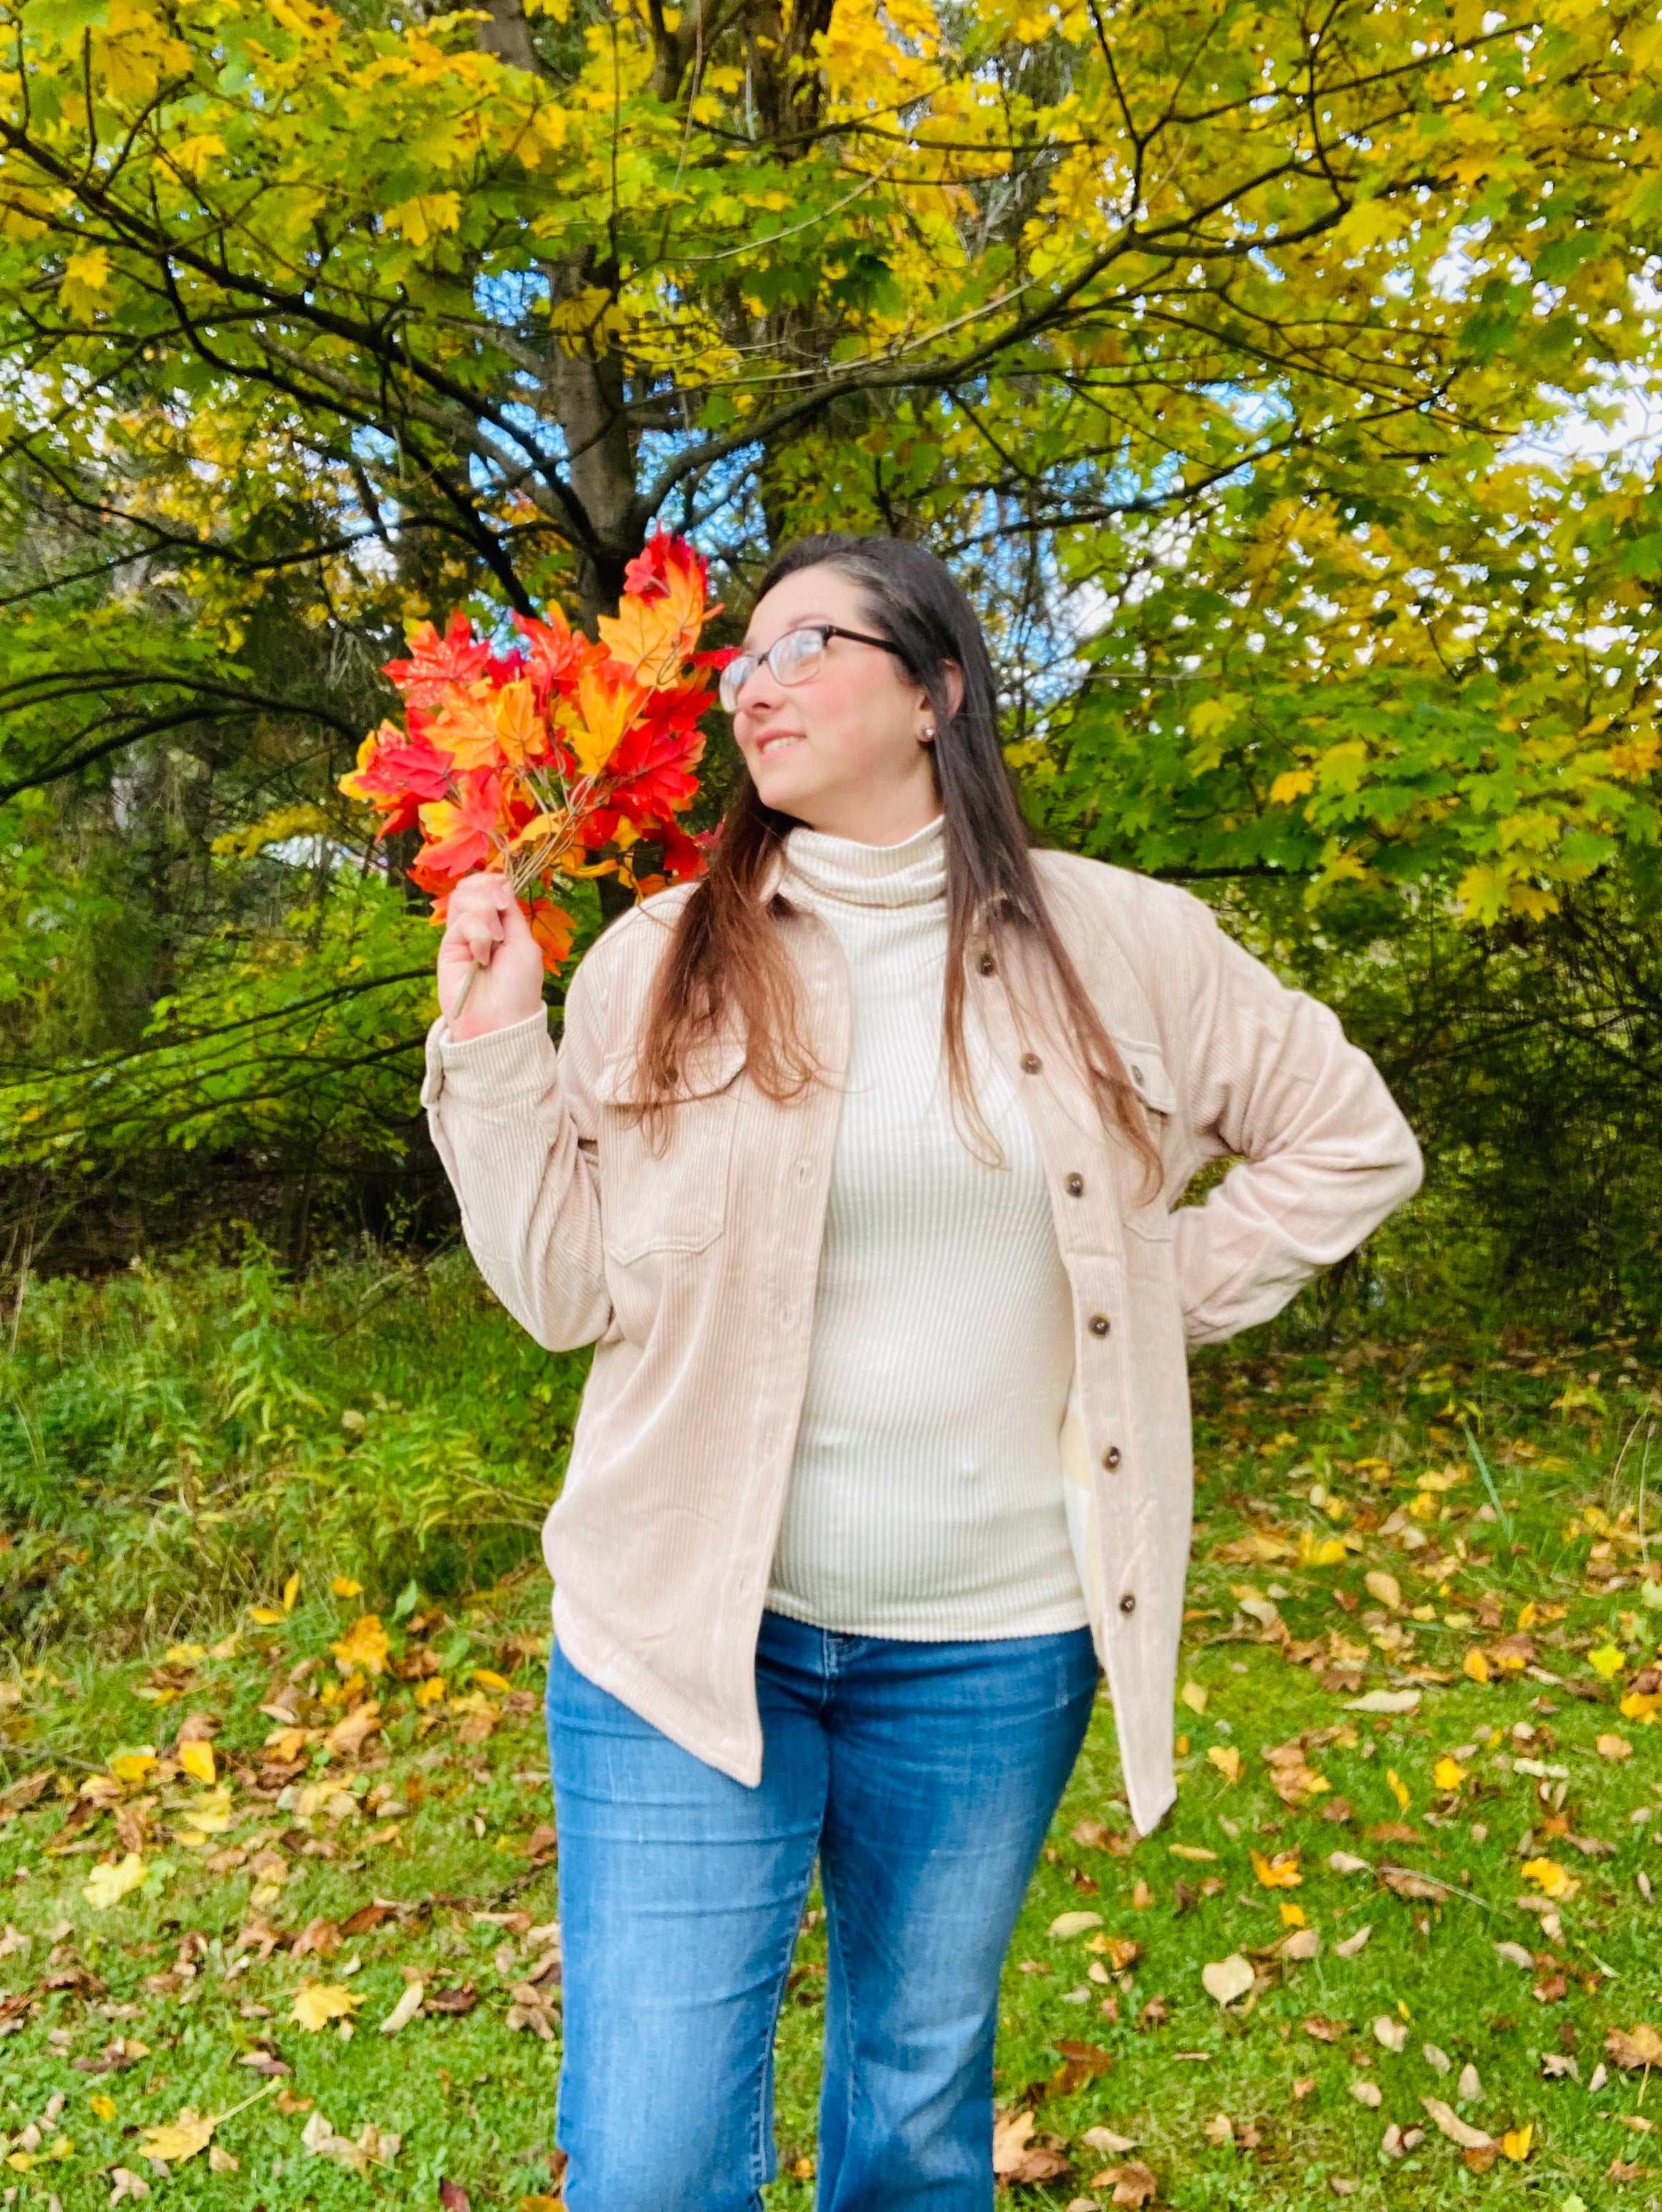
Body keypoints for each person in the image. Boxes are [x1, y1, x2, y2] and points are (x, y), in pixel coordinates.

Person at [420, 532, 1422, 2211]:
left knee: (907, 2104)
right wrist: (492, 1045)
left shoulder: (1128, 940)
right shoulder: (654, 953)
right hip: (681, 1628)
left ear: (935, 688)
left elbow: (1348, 1139)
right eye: (739, 661)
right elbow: (557, 1286)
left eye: (807, 642)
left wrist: (1137, 1290)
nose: (756, 679)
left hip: (991, 1646)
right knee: (652, 2155)